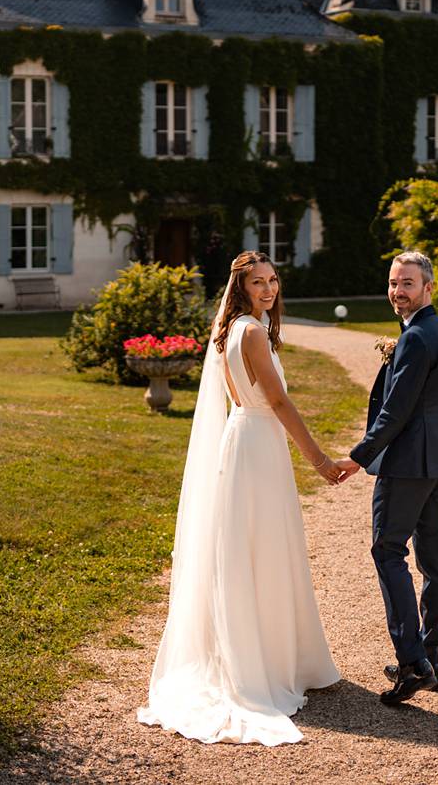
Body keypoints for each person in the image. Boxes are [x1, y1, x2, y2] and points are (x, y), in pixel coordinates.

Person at [137, 251, 342, 745]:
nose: (269, 290)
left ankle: (266, 653)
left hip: (246, 440)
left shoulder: (232, 330)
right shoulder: (250, 332)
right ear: (241, 288)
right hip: (256, 444)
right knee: (264, 548)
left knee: (253, 548)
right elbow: (276, 400)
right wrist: (319, 459)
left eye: (273, 281)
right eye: (258, 283)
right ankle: (259, 664)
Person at [333, 250, 438, 705]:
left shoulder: (415, 339)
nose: (397, 291)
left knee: (388, 551)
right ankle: (431, 657)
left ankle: (412, 662)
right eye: (393, 282)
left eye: (407, 283)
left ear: (429, 287)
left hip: (408, 465)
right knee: (434, 560)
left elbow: (396, 411)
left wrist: (359, 455)